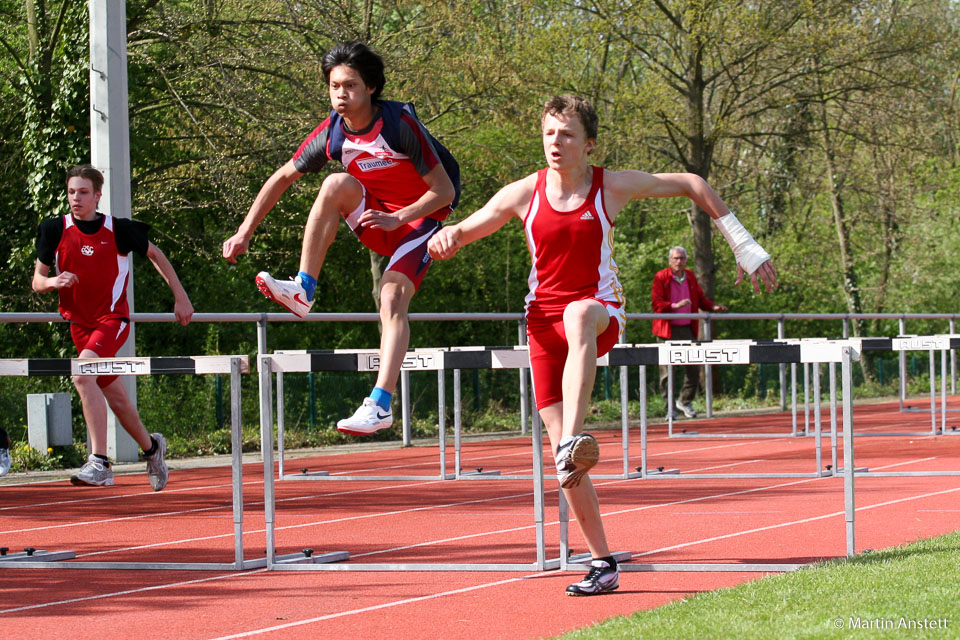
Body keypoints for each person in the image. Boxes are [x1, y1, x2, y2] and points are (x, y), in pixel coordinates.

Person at [428, 95, 777, 596]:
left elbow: (692, 184)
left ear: (588, 144)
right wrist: (446, 239)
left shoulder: (609, 185)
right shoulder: (524, 193)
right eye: (549, 133)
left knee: (578, 314)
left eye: (567, 134)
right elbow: (467, 228)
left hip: (598, 314)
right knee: (563, 465)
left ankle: (574, 438)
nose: (556, 143)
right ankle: (602, 561)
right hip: (542, 326)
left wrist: (743, 245)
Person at [222, 41, 460, 436]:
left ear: (370, 88)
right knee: (334, 183)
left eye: (349, 86)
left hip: (421, 219)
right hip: (376, 217)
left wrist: (398, 216)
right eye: (334, 87)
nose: (340, 95)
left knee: (391, 296)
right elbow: (282, 177)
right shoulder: (332, 134)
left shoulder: (399, 124)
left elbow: (445, 192)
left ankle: (380, 405)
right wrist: (245, 231)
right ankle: (303, 288)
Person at [33, 164, 194, 489]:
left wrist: (181, 297)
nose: (75, 199)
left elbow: (156, 254)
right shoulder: (54, 229)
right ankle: (152, 447)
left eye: (83, 192)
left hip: (112, 320)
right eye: (71, 192)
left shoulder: (118, 229)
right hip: (78, 324)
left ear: (97, 196)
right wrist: (53, 281)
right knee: (116, 398)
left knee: (81, 373)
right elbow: (37, 281)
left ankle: (100, 462)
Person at [651, 245, 728, 419]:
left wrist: (712, 307)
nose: (679, 262)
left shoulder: (690, 276)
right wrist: (674, 306)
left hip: (687, 328)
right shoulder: (661, 277)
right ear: (670, 260)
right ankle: (669, 408)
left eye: (682, 258)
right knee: (667, 371)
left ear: (686, 260)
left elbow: (700, 299)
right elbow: (656, 303)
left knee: (694, 367)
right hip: (667, 330)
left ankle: (684, 401)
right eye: (676, 258)